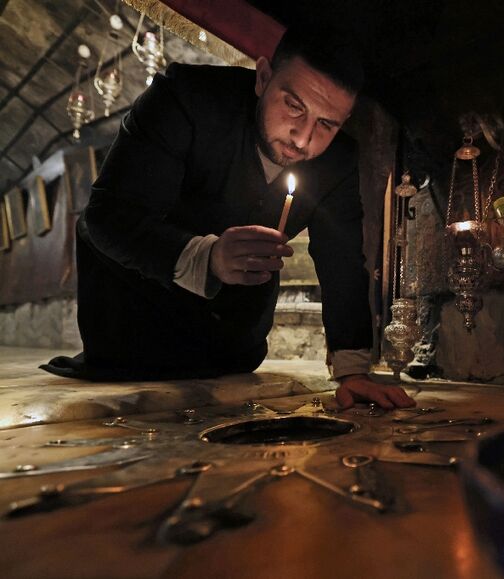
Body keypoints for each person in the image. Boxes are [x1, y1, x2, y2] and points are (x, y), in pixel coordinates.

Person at [42, 25, 415, 410]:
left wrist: (352, 372)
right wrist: (208, 257)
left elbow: (343, 262)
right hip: (130, 328)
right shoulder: (186, 97)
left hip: (229, 350)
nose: (303, 140)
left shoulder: (336, 162)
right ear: (264, 77)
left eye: (326, 124)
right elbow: (108, 216)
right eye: (294, 106)